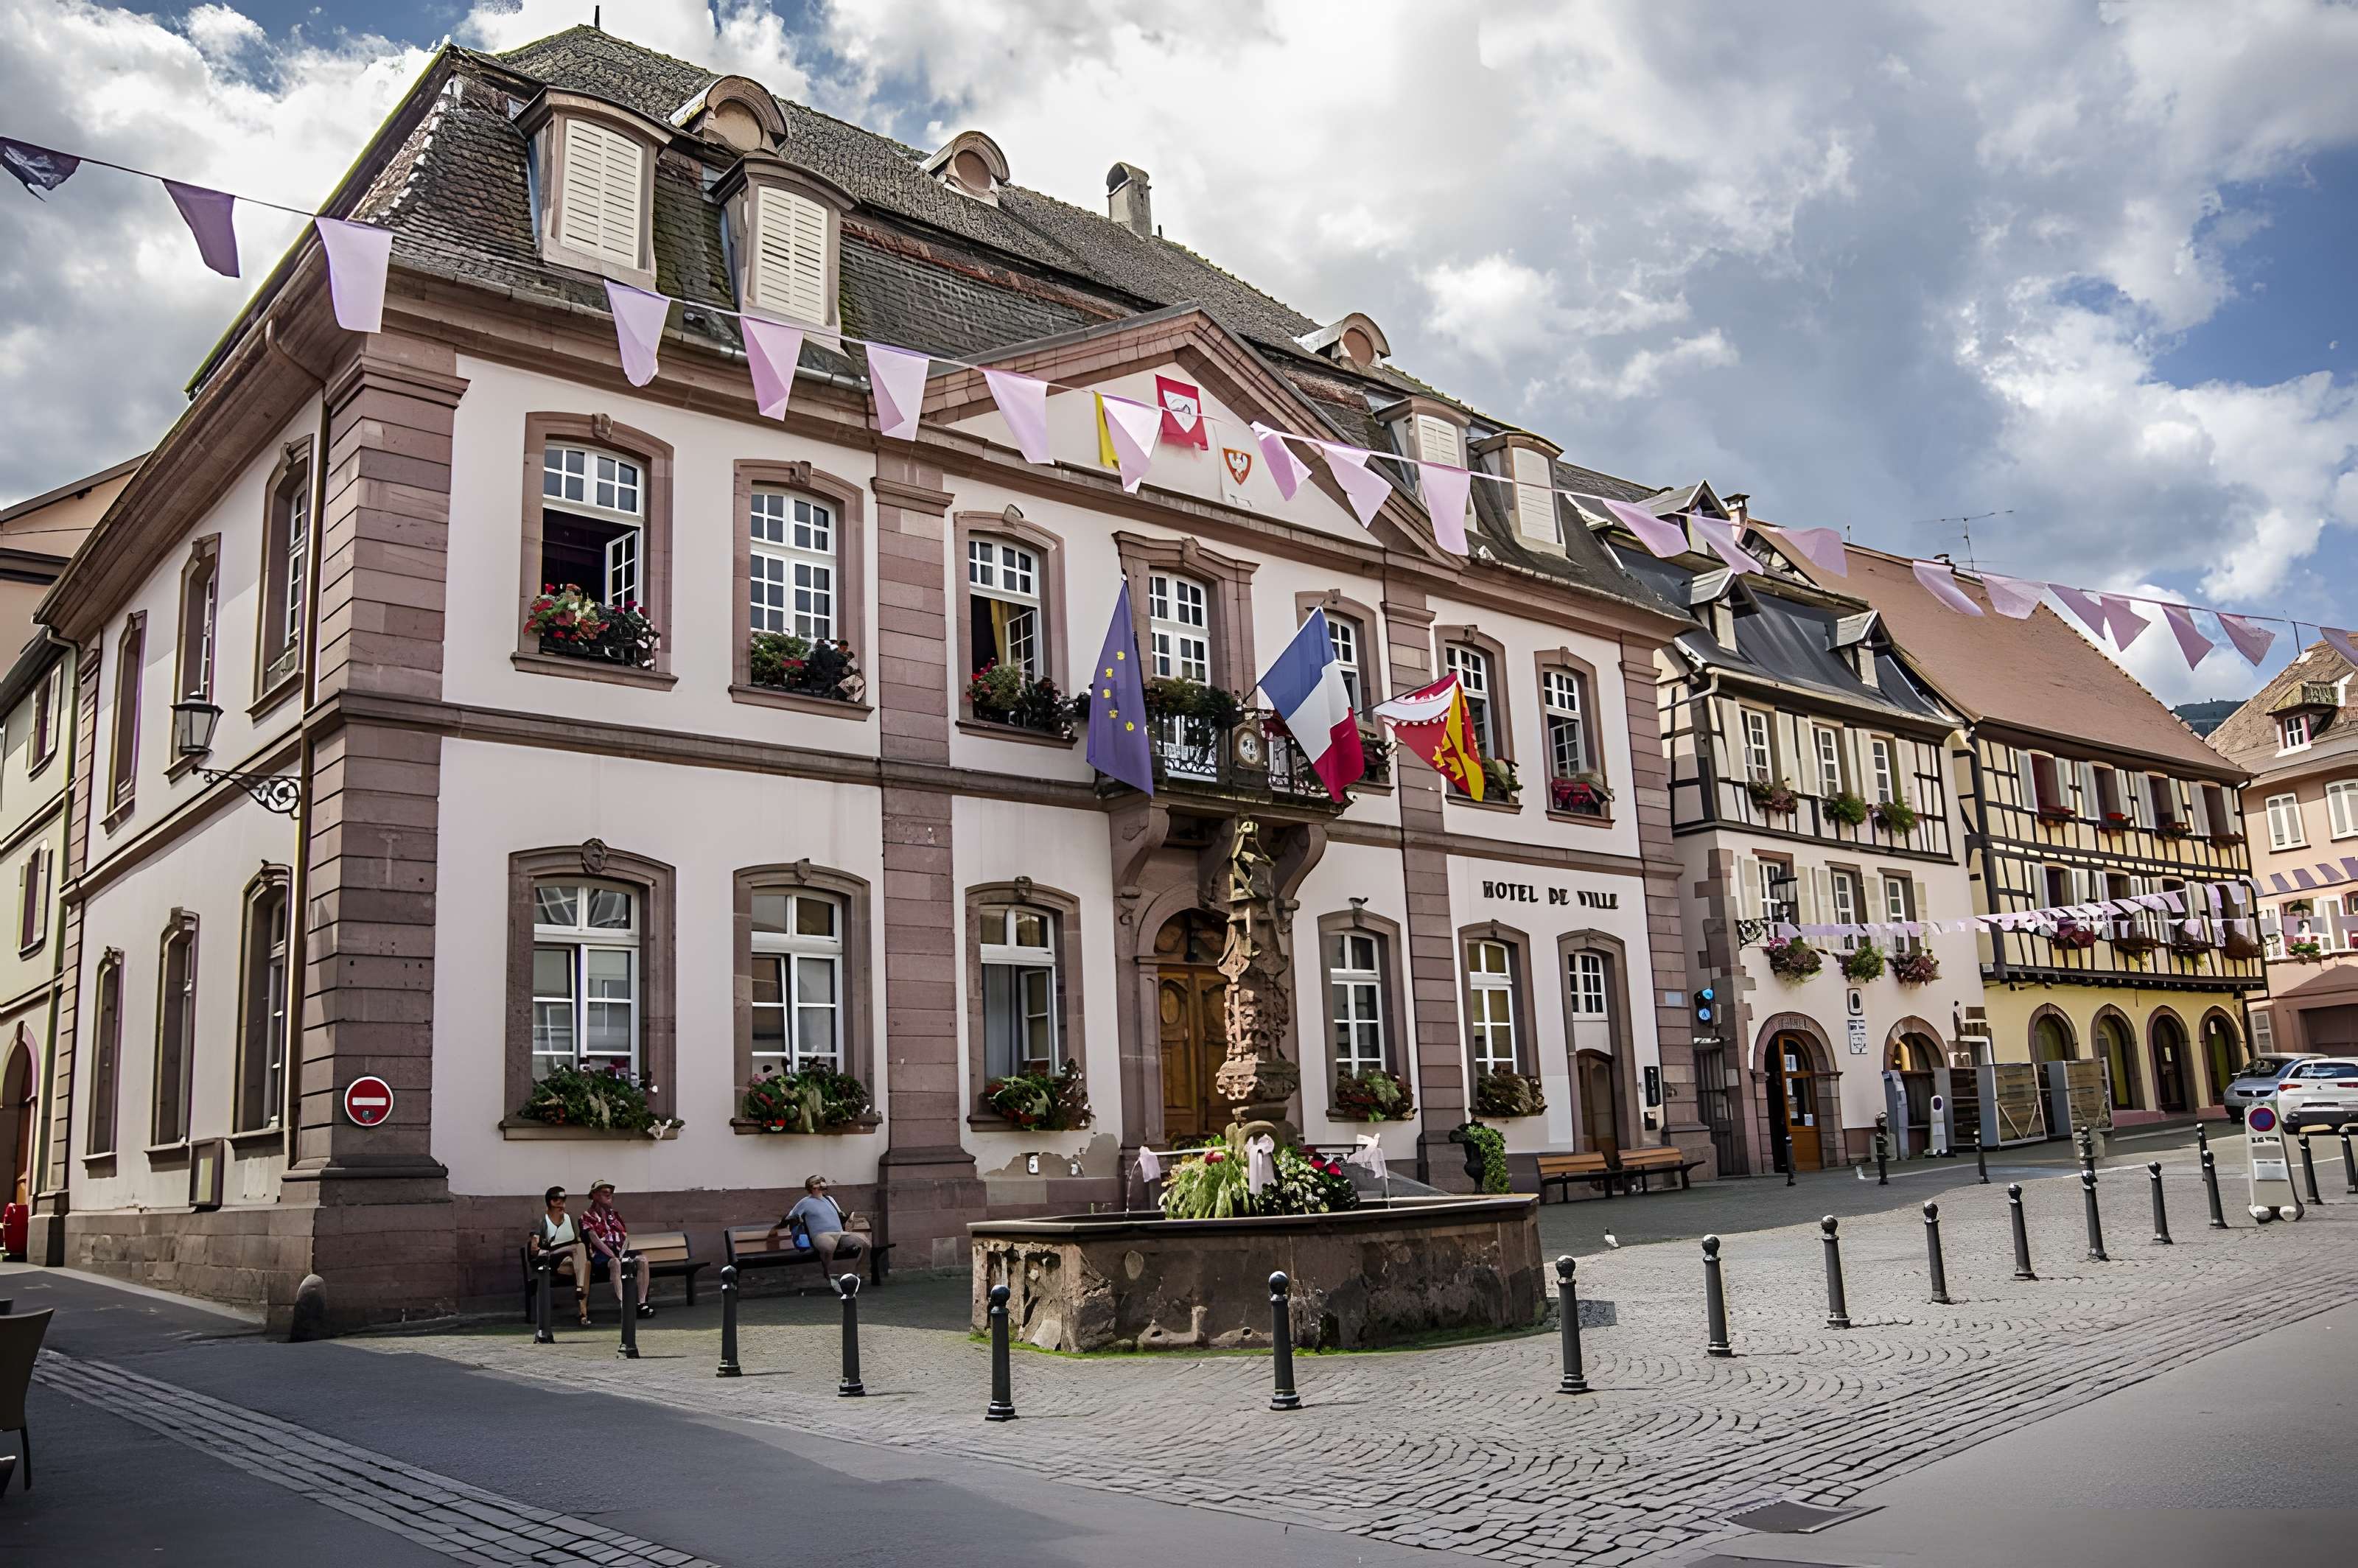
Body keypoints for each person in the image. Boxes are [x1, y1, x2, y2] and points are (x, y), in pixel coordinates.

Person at [581, 1179, 654, 1318]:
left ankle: (642, 1303)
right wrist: (615, 1256)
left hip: (619, 1251)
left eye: (610, 1192)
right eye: (604, 1192)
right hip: (601, 1255)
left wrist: (622, 1251)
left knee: (642, 1259)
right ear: (595, 1195)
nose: (609, 1194)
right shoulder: (587, 1217)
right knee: (615, 1263)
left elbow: (624, 1236)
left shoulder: (615, 1215)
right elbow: (595, 1241)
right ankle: (624, 1304)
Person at [528, 1186, 592, 1326]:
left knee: (585, 1264)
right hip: (553, 1258)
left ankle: (583, 1312)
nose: (561, 1204)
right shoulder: (543, 1222)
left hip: (569, 1260)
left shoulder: (570, 1220)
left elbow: (579, 1240)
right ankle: (581, 1297)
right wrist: (540, 1250)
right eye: (557, 1200)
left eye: (563, 1200)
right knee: (579, 1250)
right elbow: (534, 1247)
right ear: (550, 1202)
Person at [777, 1175, 868, 1271]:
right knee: (829, 1247)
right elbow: (789, 1216)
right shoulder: (805, 1202)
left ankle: (854, 1272)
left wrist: (848, 1217)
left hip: (839, 1234)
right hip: (820, 1235)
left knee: (862, 1244)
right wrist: (790, 1222)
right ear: (811, 1188)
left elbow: (841, 1215)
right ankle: (829, 1273)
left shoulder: (830, 1199)